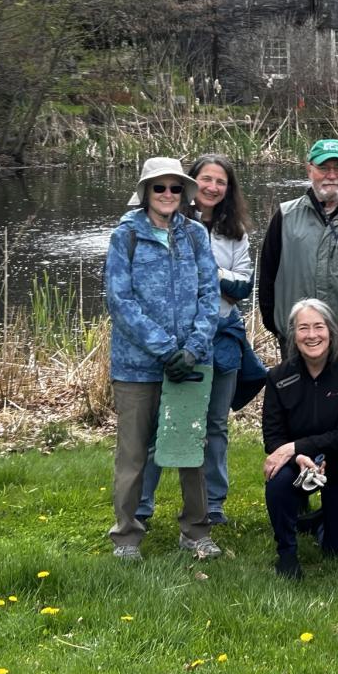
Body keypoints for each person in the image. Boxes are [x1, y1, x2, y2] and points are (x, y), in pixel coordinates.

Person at [104, 157, 221, 562]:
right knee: (134, 455)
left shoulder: (195, 236)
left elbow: (210, 293)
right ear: (145, 193)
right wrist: (165, 348)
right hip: (136, 367)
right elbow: (120, 302)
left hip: (190, 362)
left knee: (192, 450)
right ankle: (126, 536)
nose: (168, 195)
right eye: (159, 188)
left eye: (175, 188)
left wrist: (192, 348)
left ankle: (195, 530)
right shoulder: (126, 236)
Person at [139, 153, 260, 527]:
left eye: (220, 182)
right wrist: (215, 279)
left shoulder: (235, 233)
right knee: (161, 424)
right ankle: (140, 506)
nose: (212, 187)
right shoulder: (169, 224)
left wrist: (206, 271)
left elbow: (243, 286)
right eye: (206, 179)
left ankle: (213, 504)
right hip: (177, 340)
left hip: (222, 336)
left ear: (228, 189)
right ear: (192, 183)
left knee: (215, 425)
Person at [258, 138, 338, 380]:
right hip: (299, 337)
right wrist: (278, 327)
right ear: (309, 170)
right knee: (300, 411)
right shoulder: (285, 216)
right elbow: (267, 276)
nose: (331, 175)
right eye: (323, 168)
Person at [262, 299, 338, 579]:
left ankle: (320, 519)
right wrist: (297, 456)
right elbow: (273, 438)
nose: (312, 335)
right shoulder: (278, 377)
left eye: (319, 327)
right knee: (277, 478)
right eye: (303, 328)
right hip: (300, 465)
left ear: (332, 331)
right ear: (292, 335)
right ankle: (286, 551)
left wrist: (296, 446)